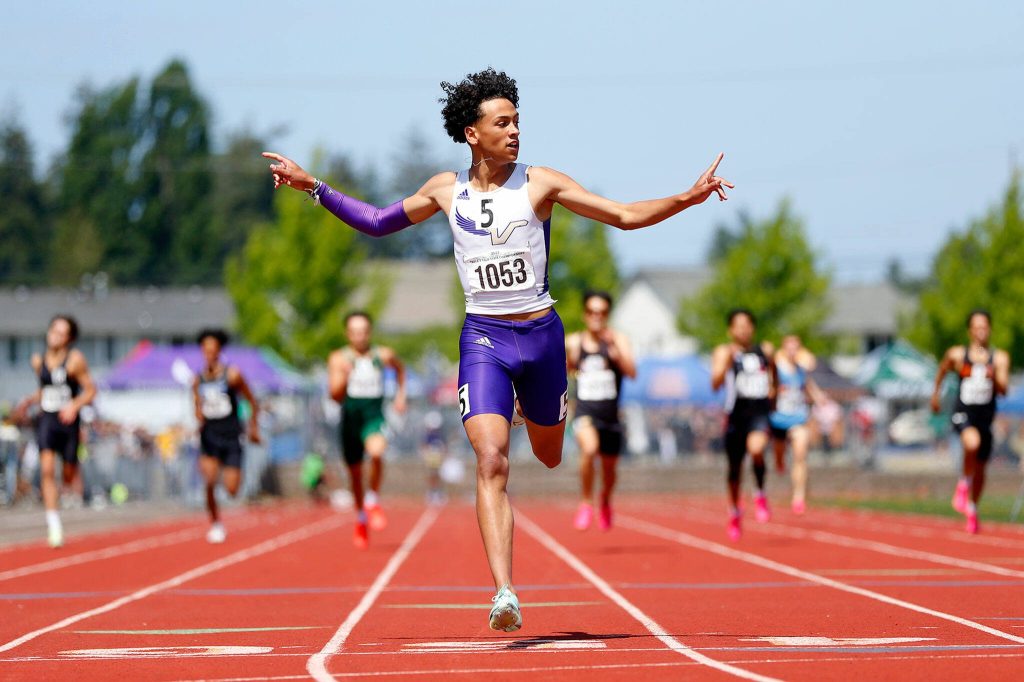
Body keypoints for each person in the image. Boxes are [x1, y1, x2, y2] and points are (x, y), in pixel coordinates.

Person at [263, 67, 732, 631]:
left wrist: (689, 195)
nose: (514, 132)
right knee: (491, 460)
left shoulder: (541, 184)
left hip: (541, 338)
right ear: (471, 132)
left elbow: (625, 217)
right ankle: (505, 592)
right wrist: (314, 185)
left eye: (518, 123)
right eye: (502, 123)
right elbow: (378, 223)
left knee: (552, 454)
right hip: (484, 338)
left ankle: (524, 407)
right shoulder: (444, 189)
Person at [13, 315, 96, 547]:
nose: (55, 336)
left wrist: (74, 405)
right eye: (53, 331)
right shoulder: (38, 360)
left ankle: (68, 476)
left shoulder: (75, 360)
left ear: (69, 338)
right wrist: (30, 400)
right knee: (47, 469)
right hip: (48, 419)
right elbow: (45, 390)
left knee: (68, 474)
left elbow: (90, 390)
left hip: (68, 422)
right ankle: (54, 526)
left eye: (61, 333)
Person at [327, 311, 407, 549]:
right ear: (347, 334)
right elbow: (335, 395)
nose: (359, 336)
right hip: (351, 418)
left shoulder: (382, 355)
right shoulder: (338, 359)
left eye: (363, 331)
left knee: (377, 452)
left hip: (374, 415)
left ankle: (372, 500)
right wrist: (344, 377)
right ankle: (361, 517)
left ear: (369, 332)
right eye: (355, 332)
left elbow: (401, 370)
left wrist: (400, 396)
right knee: (354, 475)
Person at [931, 309, 1010, 533]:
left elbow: (1003, 390)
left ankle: (972, 508)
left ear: (990, 329)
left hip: (985, 417)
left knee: (981, 468)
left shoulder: (999, 358)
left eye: (984, 326)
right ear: (970, 330)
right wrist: (935, 395)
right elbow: (942, 370)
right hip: (962, 412)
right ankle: (963, 483)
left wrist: (994, 376)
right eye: (976, 327)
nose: (980, 331)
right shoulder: (957, 355)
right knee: (971, 443)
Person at [566, 290, 636, 531]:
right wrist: (570, 361)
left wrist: (616, 353)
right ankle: (586, 502)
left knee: (609, 469)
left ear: (608, 314)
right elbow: (559, 369)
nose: (597, 316)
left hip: (611, 416)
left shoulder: (618, 340)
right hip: (585, 411)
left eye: (602, 312)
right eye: (592, 312)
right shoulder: (574, 342)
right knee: (589, 448)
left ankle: (605, 498)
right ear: (585, 314)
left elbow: (632, 372)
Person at [711, 309, 776, 541]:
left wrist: (773, 393)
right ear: (730, 330)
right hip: (735, 416)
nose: (743, 330)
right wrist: (725, 363)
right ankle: (735, 511)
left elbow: (774, 372)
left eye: (747, 325)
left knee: (757, 449)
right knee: (734, 470)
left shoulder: (764, 351)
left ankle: (759, 492)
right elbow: (715, 384)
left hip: (758, 413)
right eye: (738, 326)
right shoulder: (724, 352)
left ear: (753, 328)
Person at [192, 329, 261, 544]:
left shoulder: (232, 375)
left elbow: (252, 400)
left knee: (232, 490)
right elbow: (196, 402)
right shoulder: (198, 379)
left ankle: (226, 473)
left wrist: (253, 428)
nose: (209, 354)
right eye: (205, 350)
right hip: (209, 436)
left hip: (231, 436)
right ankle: (215, 523)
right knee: (210, 481)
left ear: (219, 351)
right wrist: (199, 417)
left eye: (213, 349)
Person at [769, 335, 824, 515]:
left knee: (800, 454)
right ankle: (779, 460)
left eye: (796, 348)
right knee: (779, 455)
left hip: (797, 418)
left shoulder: (801, 370)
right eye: (789, 348)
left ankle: (798, 497)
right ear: (784, 349)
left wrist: (819, 397)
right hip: (777, 418)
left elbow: (808, 381)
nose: (793, 351)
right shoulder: (777, 368)